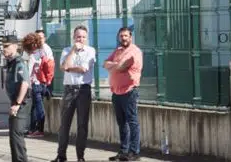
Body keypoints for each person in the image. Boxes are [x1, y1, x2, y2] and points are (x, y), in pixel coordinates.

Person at [51, 25, 96, 162]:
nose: (80, 39)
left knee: (82, 125)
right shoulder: (66, 50)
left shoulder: (90, 50)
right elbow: (63, 66)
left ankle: (80, 156)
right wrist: (72, 51)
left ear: (86, 38)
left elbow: (84, 69)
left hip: (83, 89)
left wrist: (69, 68)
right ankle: (61, 155)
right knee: (64, 124)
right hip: (69, 89)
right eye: (78, 36)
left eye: (83, 37)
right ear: (73, 37)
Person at [104, 27, 143, 162]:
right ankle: (123, 151)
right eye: (121, 36)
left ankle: (134, 152)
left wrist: (114, 66)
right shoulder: (118, 51)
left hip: (129, 91)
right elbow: (105, 63)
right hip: (116, 92)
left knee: (132, 122)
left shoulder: (135, 51)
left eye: (126, 36)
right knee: (122, 123)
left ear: (130, 37)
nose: (123, 38)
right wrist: (117, 64)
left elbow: (123, 67)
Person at [2, 34, 31, 162]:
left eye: (7, 46)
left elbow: (25, 83)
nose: (4, 49)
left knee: (16, 135)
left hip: (22, 102)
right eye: (3, 46)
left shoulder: (19, 62)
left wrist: (17, 104)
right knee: (14, 136)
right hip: (16, 101)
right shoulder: (11, 62)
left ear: (15, 46)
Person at [23, 30, 54, 137]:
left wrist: (27, 84)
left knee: (38, 107)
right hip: (42, 82)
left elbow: (29, 69)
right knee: (34, 107)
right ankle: (33, 129)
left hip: (37, 83)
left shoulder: (37, 52)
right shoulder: (42, 51)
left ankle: (39, 130)